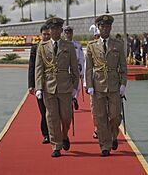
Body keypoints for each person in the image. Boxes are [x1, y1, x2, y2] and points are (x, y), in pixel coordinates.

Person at [35, 17, 79, 158]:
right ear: (49, 30)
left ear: (61, 30)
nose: (54, 31)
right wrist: (38, 88)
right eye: (51, 29)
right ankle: (56, 146)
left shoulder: (69, 46)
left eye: (57, 28)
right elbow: (39, 68)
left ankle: (64, 135)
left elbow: (74, 69)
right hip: (49, 87)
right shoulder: (42, 47)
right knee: (52, 117)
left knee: (66, 117)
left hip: (65, 86)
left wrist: (75, 87)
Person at [86, 15, 127, 157]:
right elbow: (88, 68)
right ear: (99, 28)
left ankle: (113, 136)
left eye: (108, 26)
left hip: (114, 85)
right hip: (98, 86)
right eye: (103, 26)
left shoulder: (118, 44)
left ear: (110, 28)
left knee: (115, 116)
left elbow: (123, 67)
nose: (105, 29)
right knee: (101, 117)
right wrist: (89, 85)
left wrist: (123, 84)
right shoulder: (92, 46)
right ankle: (105, 145)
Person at [28, 24, 50, 144]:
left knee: (53, 111)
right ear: (40, 35)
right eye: (44, 34)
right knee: (43, 111)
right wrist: (31, 85)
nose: (46, 36)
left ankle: (55, 133)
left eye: (48, 34)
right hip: (39, 84)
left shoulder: (55, 46)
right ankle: (46, 134)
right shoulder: (35, 48)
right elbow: (32, 67)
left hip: (53, 84)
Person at [63, 25, 84, 110]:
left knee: (77, 87)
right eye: (66, 32)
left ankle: (74, 98)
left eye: (70, 32)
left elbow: (81, 57)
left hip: (75, 67)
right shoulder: (62, 44)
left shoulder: (77, 45)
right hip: (65, 68)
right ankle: (68, 101)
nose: (68, 34)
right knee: (66, 86)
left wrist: (82, 71)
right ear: (64, 34)